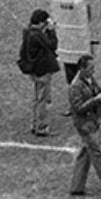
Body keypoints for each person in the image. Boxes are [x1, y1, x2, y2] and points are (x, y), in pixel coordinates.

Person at [66, 54, 101, 197]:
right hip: (84, 125)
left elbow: (96, 90)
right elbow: (77, 108)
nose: (93, 71)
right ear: (82, 69)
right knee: (97, 157)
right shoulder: (75, 86)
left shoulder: (89, 79)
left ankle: (76, 187)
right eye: (90, 68)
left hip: (91, 122)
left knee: (85, 154)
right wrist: (96, 100)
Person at [18, 9, 60, 137]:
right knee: (43, 100)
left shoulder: (28, 32)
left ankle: (35, 124)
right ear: (42, 22)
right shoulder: (36, 35)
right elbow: (52, 45)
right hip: (42, 70)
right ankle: (41, 127)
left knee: (38, 98)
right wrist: (52, 31)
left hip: (35, 70)